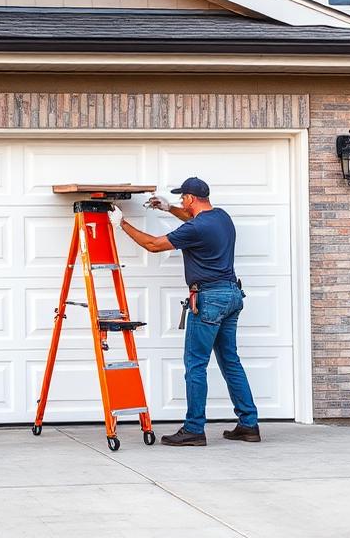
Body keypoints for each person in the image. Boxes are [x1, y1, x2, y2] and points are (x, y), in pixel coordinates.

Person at [109, 177, 260, 446]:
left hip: (209, 299)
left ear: (190, 199)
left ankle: (194, 429)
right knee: (230, 361)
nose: (181, 201)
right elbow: (192, 220)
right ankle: (249, 425)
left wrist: (122, 224)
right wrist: (168, 208)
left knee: (195, 365)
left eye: (182, 198)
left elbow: (154, 245)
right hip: (231, 295)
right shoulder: (221, 217)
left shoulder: (196, 228)